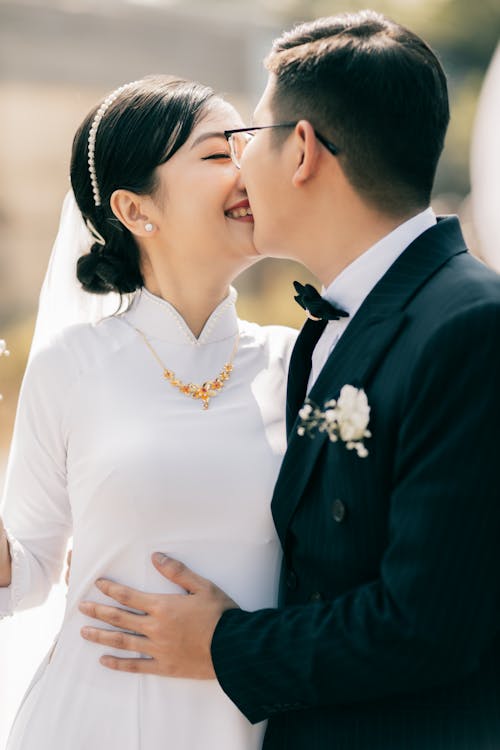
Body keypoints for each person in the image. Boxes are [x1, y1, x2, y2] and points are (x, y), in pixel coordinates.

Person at [79, 11, 500, 750]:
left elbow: (428, 626)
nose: (239, 169)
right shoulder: (323, 332)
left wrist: (223, 645)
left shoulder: (469, 325)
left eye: (247, 140)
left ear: (301, 149)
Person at [0, 74, 297, 749]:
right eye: (219, 154)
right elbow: (25, 576)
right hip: (92, 719)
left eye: (247, 147)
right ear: (137, 210)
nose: (246, 168)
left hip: (252, 722)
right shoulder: (69, 366)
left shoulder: (300, 361)